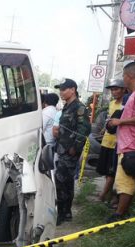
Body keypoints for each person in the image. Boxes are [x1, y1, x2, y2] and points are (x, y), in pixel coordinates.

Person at [106, 62, 135, 221]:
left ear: (128, 76)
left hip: (133, 144)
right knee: (121, 181)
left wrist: (121, 122)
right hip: (127, 143)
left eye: (123, 76)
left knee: (125, 182)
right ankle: (119, 212)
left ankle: (119, 216)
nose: (123, 80)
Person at [53, 78, 91, 225]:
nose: (61, 92)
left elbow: (84, 129)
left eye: (64, 89)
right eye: (60, 89)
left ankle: (61, 213)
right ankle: (66, 212)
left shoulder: (79, 107)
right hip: (63, 149)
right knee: (67, 182)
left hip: (69, 152)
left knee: (61, 181)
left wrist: (75, 147)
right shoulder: (67, 107)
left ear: (73, 90)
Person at [96, 78, 126, 204]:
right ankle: (108, 193)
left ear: (124, 90)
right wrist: (103, 129)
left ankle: (103, 195)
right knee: (105, 170)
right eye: (112, 89)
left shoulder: (126, 104)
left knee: (111, 171)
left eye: (116, 89)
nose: (114, 92)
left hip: (117, 143)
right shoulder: (112, 103)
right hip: (106, 140)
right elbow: (109, 119)